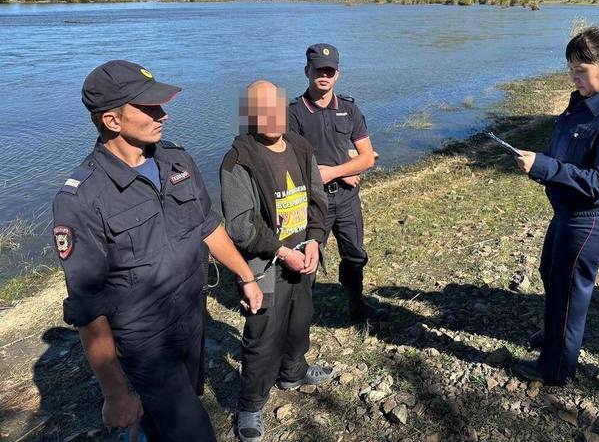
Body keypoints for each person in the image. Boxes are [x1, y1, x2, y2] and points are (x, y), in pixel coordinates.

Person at [52, 60, 263, 441]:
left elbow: (206, 225)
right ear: (112, 121)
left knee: (165, 419)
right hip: (143, 344)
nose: (162, 114)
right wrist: (115, 391)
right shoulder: (81, 199)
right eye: (148, 108)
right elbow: (88, 305)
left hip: (191, 317)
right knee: (194, 432)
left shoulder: (176, 160)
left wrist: (246, 276)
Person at [511, 27, 599, 385]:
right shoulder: (582, 104)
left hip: (592, 221)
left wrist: (545, 167)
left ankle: (555, 368)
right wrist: (540, 162)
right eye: (570, 69)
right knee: (550, 274)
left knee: (569, 296)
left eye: (580, 70)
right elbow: (567, 154)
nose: (573, 77)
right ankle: (555, 339)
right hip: (567, 215)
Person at [220, 80, 334, 442]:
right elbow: (240, 226)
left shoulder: (300, 146)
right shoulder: (239, 159)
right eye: (261, 110)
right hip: (265, 265)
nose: (271, 117)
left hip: (304, 256)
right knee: (262, 335)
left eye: (277, 108)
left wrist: (315, 241)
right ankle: (251, 404)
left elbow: (317, 197)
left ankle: (294, 372)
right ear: (249, 115)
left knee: (300, 319)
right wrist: (283, 252)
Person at [287, 43, 387, 321]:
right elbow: (286, 164)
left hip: (345, 198)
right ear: (307, 71)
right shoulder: (291, 113)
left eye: (329, 70)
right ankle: (300, 319)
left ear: (337, 74)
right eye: (318, 69)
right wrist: (342, 169)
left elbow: (367, 158)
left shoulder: (350, 109)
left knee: (355, 254)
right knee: (308, 261)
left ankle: (357, 304)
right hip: (310, 202)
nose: (324, 75)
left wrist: (335, 172)